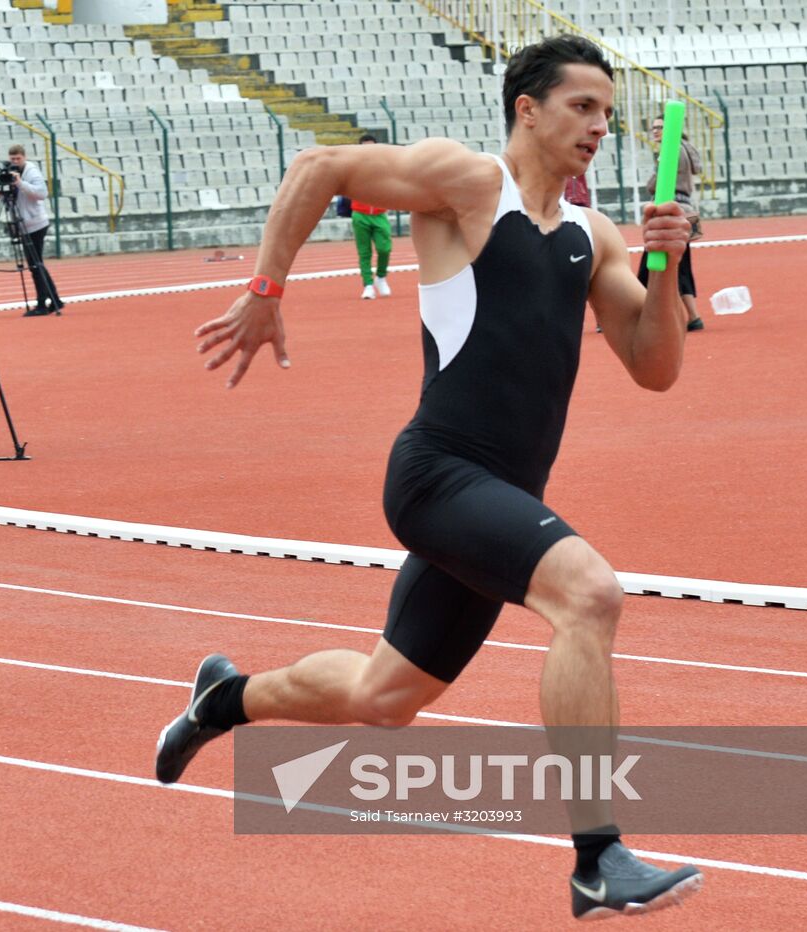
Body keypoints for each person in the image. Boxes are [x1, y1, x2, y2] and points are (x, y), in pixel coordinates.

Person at [156, 35, 703, 920]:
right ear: (527, 108)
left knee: (384, 697)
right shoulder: (467, 183)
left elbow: (654, 366)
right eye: (583, 107)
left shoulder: (593, 235)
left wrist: (665, 264)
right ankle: (598, 858)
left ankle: (227, 697)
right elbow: (320, 164)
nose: (601, 126)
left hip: (501, 500)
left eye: (609, 112)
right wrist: (266, 287)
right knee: (589, 595)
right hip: (439, 473)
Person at [637, 115, 705, 331]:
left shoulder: (670, 150)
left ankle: (637, 313)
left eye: (660, 127)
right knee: (681, 265)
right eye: (653, 128)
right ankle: (693, 316)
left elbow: (654, 185)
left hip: (671, 212)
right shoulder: (686, 149)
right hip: (686, 210)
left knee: (652, 264)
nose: (655, 132)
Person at [0, 143, 63, 318]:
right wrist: (0, 193)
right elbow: (13, 199)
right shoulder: (9, 171)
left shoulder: (31, 171)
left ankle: (44, 302)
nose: (15, 162)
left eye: (18, 158)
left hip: (36, 223)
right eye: (12, 159)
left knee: (35, 264)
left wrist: (20, 183)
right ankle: (54, 299)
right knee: (35, 264)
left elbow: (41, 193)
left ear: (24, 157)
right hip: (24, 224)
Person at [347, 133, 393, 299]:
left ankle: (381, 277)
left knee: (384, 248)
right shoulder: (352, 168)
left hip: (380, 214)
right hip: (360, 214)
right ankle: (368, 285)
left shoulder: (384, 167)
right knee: (364, 253)